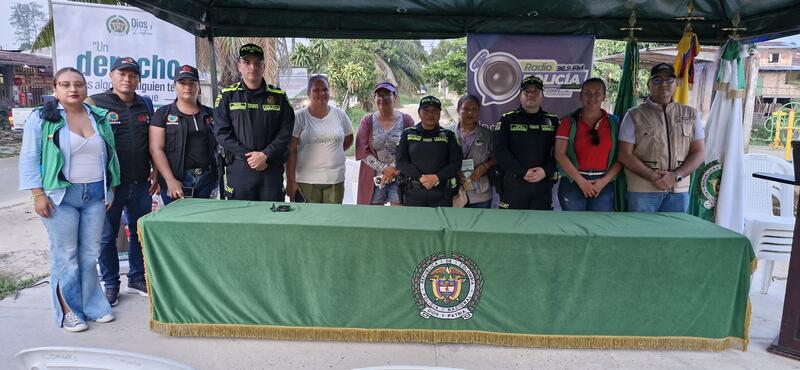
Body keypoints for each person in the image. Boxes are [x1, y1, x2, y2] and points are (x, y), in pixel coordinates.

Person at [18, 67, 120, 332]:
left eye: (78, 84)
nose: (72, 89)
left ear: (85, 88)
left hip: (95, 194)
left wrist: (110, 188)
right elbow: (29, 158)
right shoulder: (43, 117)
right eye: (65, 84)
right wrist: (38, 194)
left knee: (89, 255)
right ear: (55, 89)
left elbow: (109, 155)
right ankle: (68, 312)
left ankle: (94, 307)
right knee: (67, 256)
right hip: (60, 196)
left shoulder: (97, 116)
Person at [86, 57, 156, 307]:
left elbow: (153, 142)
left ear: (138, 79)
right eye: (122, 74)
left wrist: (156, 171)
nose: (127, 79)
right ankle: (111, 284)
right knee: (107, 237)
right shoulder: (94, 103)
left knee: (139, 234)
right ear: (111, 76)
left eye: (132, 75)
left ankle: (136, 278)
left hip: (140, 182)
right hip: (110, 186)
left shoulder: (145, 104)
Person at [617, 63, 705, 212]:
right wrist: (653, 177)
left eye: (669, 80)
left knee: (673, 235)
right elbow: (624, 155)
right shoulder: (634, 115)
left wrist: (676, 176)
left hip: (678, 191)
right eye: (657, 80)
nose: (663, 84)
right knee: (640, 234)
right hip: (642, 192)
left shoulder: (690, 114)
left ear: (676, 83)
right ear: (649, 85)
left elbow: (699, 152)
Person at [214, 43, 295, 201]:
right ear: (239, 66)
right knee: (240, 220)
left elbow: (286, 131)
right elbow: (221, 133)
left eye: (257, 63)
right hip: (240, 170)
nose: (253, 67)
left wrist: (265, 155)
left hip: (270, 170)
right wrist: (251, 157)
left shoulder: (279, 97)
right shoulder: (226, 96)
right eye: (247, 62)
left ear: (264, 66)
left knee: (272, 219)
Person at [149, 65, 218, 204]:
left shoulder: (211, 114)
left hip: (207, 180)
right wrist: (170, 180)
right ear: (174, 85)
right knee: (176, 224)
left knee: (204, 222)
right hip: (177, 181)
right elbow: (156, 149)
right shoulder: (162, 114)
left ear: (198, 86)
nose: (188, 87)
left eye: (192, 83)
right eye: (182, 83)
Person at [554, 78, 622, 211]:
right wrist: (582, 182)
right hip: (572, 182)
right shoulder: (568, 121)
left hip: (603, 184)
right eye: (587, 93)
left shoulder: (615, 123)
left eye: (597, 93)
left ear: (604, 96)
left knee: (599, 227)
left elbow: (621, 157)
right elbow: (559, 154)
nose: (592, 97)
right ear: (580, 96)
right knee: (574, 226)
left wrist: (603, 182)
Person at [493, 75, 560, 210]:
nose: (531, 95)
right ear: (520, 95)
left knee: (540, 227)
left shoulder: (553, 121)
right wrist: (522, 171)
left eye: (536, 91)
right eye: (527, 91)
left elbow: (560, 153)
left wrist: (545, 171)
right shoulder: (507, 119)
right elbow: (499, 151)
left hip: (542, 185)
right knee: (510, 227)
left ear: (542, 95)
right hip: (513, 184)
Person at [286, 75, 353, 203]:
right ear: (308, 93)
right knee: (307, 220)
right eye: (316, 90)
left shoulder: (340, 115)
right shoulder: (299, 117)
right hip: (306, 181)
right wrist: (291, 182)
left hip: (335, 180)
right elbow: (291, 150)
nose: (321, 93)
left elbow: (349, 139)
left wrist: (332, 151)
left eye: (325, 89)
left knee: (332, 221)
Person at [395, 96, 462, 207]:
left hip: (442, 193)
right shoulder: (408, 134)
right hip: (414, 193)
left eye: (435, 111)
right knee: (415, 224)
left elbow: (456, 163)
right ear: (419, 112)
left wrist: (436, 177)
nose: (430, 114)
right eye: (426, 110)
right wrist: (420, 177)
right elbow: (401, 162)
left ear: (440, 114)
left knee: (442, 224)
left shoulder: (448, 135)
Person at [355, 82, 414, 205]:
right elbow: (362, 151)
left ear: (395, 97)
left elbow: (411, 149)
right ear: (374, 98)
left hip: (399, 177)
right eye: (379, 95)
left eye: (387, 94)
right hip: (374, 178)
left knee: (399, 218)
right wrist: (383, 169)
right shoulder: (367, 121)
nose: (382, 98)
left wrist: (393, 168)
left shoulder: (406, 120)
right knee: (374, 219)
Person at [451, 94, 495, 208]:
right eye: (465, 109)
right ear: (458, 110)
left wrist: (484, 166)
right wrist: (453, 170)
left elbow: (497, 158)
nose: (470, 113)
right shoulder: (447, 133)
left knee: (480, 225)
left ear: (478, 112)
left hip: (480, 194)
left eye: (474, 109)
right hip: (453, 192)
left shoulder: (488, 135)